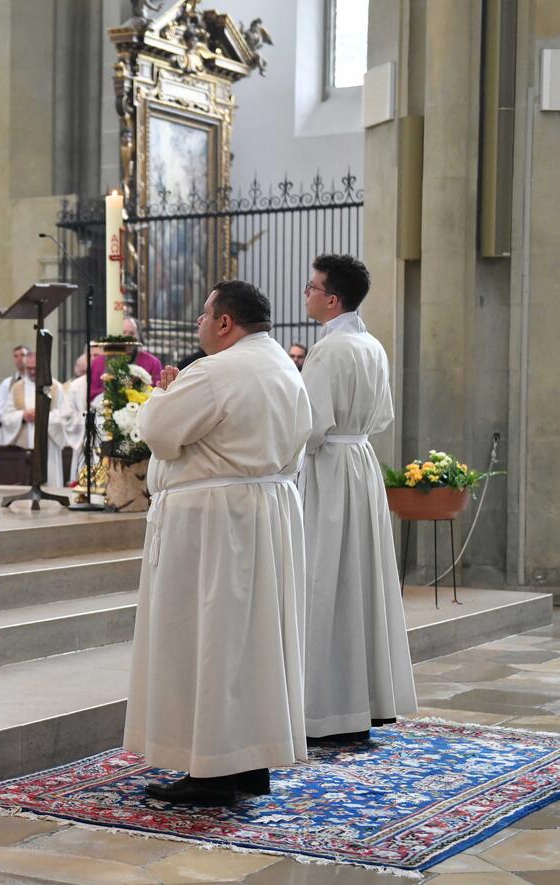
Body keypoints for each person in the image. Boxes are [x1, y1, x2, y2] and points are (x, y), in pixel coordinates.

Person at [125, 280, 312, 806]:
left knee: (208, 640)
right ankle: (251, 763)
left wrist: (165, 392)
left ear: (225, 322)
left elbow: (158, 431)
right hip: (264, 514)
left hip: (212, 523)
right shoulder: (281, 366)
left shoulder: (217, 370)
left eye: (205, 315)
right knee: (250, 644)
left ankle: (207, 770)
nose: (201, 325)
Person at [300, 254, 417, 742]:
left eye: (312, 287)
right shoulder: (373, 347)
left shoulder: (328, 351)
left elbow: (308, 427)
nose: (306, 293)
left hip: (329, 468)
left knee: (325, 579)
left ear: (332, 299)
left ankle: (325, 710)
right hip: (361, 463)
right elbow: (384, 416)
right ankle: (362, 702)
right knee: (359, 580)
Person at [0, 351, 70, 487]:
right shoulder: (17, 388)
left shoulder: (55, 387)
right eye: (29, 369)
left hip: (48, 444)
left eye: (35, 369)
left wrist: (43, 417)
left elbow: (64, 415)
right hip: (24, 446)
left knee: (49, 482)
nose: (32, 372)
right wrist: (23, 415)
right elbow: (6, 416)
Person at [89, 316, 163, 398]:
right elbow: (92, 393)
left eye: (131, 333)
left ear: (138, 336)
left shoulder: (153, 362)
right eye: (124, 332)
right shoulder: (98, 362)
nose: (127, 337)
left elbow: (158, 391)